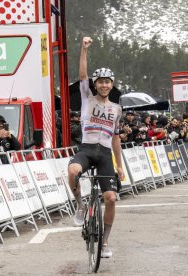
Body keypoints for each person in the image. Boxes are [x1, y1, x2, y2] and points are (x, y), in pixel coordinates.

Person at [68, 36, 125, 258]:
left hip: (105, 155)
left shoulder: (116, 109)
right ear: (95, 83)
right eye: (100, 81)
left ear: (112, 84)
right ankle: (81, 205)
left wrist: (119, 166)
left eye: (107, 81)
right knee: (73, 171)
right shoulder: (87, 99)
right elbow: (82, 74)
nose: (103, 84)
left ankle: (104, 242)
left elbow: (116, 139)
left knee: (110, 198)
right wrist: (83, 49)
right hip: (86, 150)